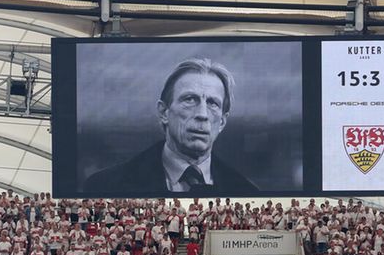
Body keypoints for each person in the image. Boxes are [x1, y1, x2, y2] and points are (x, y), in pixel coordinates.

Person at [83, 58, 258, 195]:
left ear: (222, 122)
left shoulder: (246, 190)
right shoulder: (106, 185)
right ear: (164, 112)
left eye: (212, 103)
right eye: (190, 99)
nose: (202, 114)